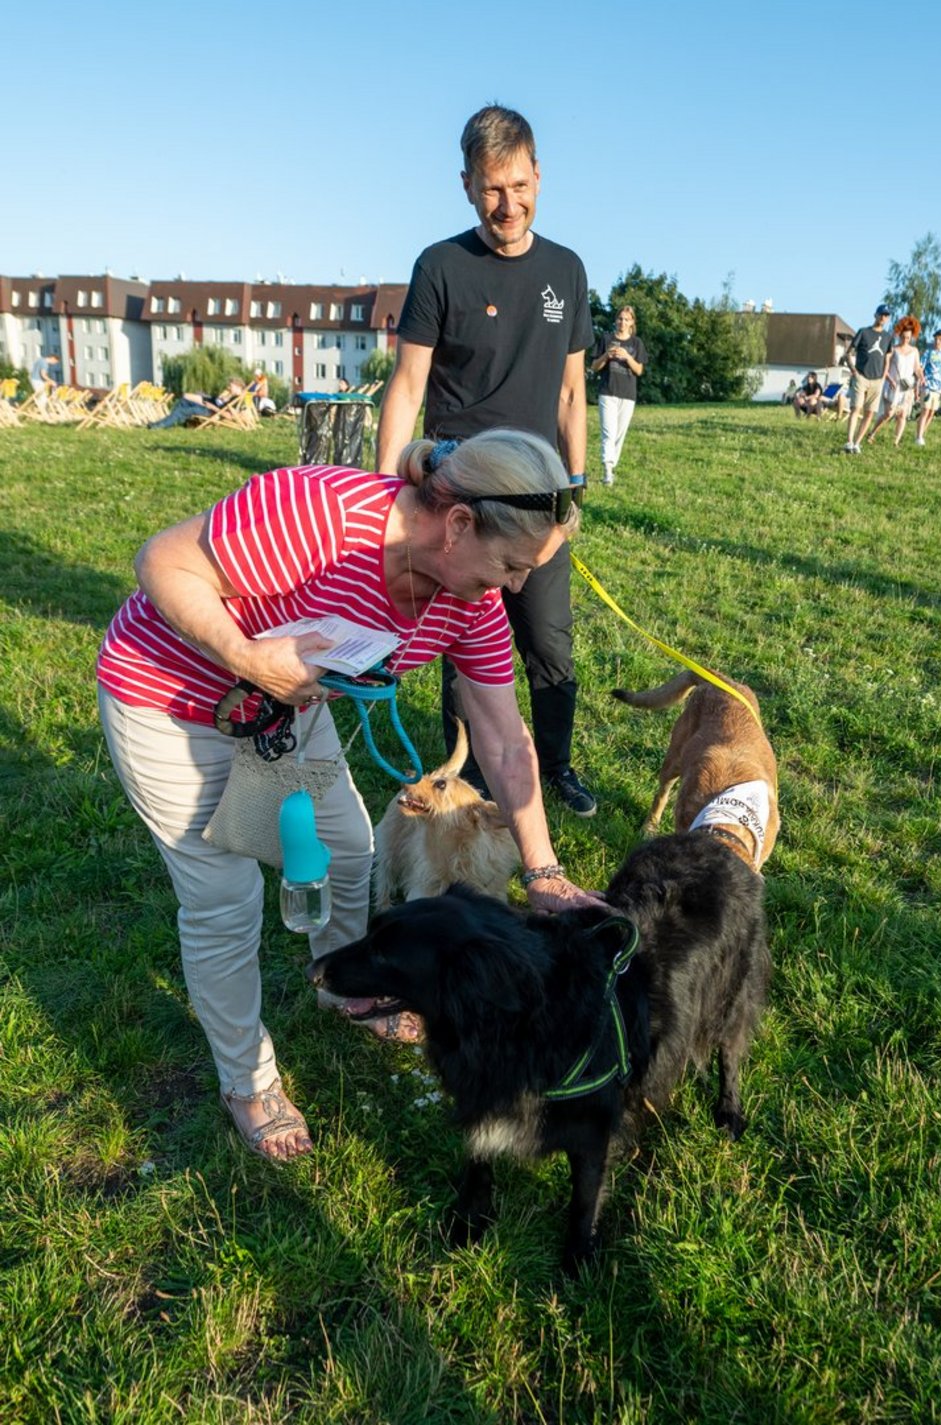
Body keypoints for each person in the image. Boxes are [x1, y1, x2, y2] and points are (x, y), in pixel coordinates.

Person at [96, 430, 603, 1162]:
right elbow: (160, 560)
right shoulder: (321, 517)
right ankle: (248, 1079)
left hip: (288, 710)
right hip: (169, 698)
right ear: (459, 524)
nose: (517, 586)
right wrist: (244, 657)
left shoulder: (470, 601)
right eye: (512, 564)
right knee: (225, 898)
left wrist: (544, 871)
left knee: (347, 848)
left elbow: (503, 737)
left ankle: (346, 985)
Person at [376, 105, 596, 817]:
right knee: (460, 645)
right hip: (461, 498)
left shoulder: (567, 269)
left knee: (549, 642)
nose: (509, 204)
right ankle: (458, 777)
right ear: (467, 185)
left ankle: (556, 768)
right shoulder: (440, 267)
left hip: (539, 499)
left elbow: (571, 391)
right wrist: (384, 489)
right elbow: (407, 385)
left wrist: (577, 489)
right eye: (493, 188)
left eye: (521, 185)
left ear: (540, 176)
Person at [589, 307, 647, 484]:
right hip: (608, 392)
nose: (622, 322)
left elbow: (639, 370)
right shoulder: (607, 339)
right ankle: (607, 470)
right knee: (608, 432)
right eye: (620, 319)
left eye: (627, 319)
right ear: (615, 321)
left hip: (628, 395)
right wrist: (607, 355)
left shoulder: (636, 344)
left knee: (619, 434)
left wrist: (627, 357)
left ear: (632, 323)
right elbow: (594, 366)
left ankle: (611, 466)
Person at [843, 304, 894, 454]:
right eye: (881, 314)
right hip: (861, 376)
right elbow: (848, 353)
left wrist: (884, 376)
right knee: (855, 408)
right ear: (875, 315)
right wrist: (853, 371)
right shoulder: (863, 332)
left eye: (886, 315)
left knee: (870, 413)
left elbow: (888, 358)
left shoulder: (887, 337)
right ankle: (849, 441)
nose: (883, 318)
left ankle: (857, 443)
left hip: (877, 380)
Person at [866, 316, 924, 448]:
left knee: (903, 415)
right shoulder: (893, 350)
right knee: (888, 414)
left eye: (908, 338)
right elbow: (885, 368)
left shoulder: (914, 351)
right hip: (892, 386)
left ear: (912, 337)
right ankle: (872, 433)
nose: (905, 340)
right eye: (903, 337)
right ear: (899, 335)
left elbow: (917, 368)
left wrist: (921, 377)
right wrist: (889, 379)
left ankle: (895, 442)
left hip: (906, 387)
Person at [915, 328, 941, 446]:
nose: (937, 341)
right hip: (928, 386)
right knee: (925, 411)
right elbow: (920, 368)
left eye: (940, 339)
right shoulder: (928, 352)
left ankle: (921, 434)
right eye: (936, 339)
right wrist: (920, 382)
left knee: (931, 413)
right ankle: (918, 437)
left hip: (938, 389)